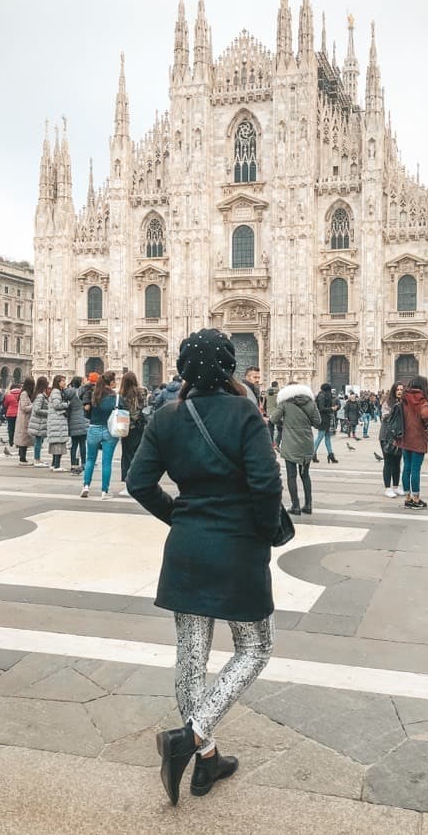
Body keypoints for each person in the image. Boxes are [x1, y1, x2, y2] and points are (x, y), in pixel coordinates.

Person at [126, 328, 282, 806]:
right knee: (255, 647)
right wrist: (263, 530)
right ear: (229, 366)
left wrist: (180, 516)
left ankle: (207, 758)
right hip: (236, 546)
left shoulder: (166, 416)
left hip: (187, 547)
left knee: (191, 658)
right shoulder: (244, 411)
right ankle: (191, 737)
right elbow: (265, 482)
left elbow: (138, 482)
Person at [270, 382, 321, 515]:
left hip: (290, 443)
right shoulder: (310, 402)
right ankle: (308, 505)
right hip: (306, 442)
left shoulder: (285, 403)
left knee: (291, 476)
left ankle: (296, 506)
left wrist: (285, 422)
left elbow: (273, 419)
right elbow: (318, 422)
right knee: (305, 475)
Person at [80, 371, 126, 499]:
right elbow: (124, 411)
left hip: (93, 428)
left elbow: (87, 413)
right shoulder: (116, 397)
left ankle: (86, 486)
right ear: (111, 383)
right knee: (107, 462)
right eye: (115, 381)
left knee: (90, 459)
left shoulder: (94, 395)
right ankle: (104, 491)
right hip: (109, 431)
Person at [399, 376, 428, 509]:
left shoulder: (404, 399)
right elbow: (426, 415)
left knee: (407, 468)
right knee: (415, 469)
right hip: (418, 438)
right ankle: (416, 499)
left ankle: (407, 498)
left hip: (405, 437)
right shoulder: (423, 400)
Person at [118, 371, 147, 496]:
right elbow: (145, 408)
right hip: (140, 428)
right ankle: (139, 483)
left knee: (127, 457)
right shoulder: (142, 392)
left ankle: (127, 485)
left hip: (127, 428)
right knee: (138, 456)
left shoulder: (122, 394)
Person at [380, 382, 405, 498]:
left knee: (397, 462)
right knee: (388, 461)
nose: (399, 391)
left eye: (401, 389)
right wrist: (395, 409)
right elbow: (385, 418)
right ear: (393, 391)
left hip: (399, 436)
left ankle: (396, 486)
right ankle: (387, 487)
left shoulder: (404, 403)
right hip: (387, 436)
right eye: (397, 389)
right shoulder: (388, 403)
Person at [65, 376, 88, 473]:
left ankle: (73, 464)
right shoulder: (82, 392)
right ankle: (83, 463)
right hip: (82, 418)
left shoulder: (68, 392)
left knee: (74, 444)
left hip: (72, 420)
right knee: (82, 444)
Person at [47, 375, 70, 471]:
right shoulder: (56, 392)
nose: (64, 383)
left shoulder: (55, 391)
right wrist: (67, 404)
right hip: (58, 420)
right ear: (58, 382)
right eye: (63, 381)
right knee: (59, 443)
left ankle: (54, 464)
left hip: (56, 420)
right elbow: (56, 405)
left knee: (56, 443)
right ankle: (57, 465)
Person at [313, 383, 339, 463]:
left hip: (327, 419)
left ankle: (330, 454)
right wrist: (331, 408)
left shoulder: (324, 395)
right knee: (320, 437)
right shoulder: (322, 396)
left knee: (328, 437)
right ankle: (312, 453)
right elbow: (321, 408)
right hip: (323, 419)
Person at [28, 376, 49, 466]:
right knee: (38, 442)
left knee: (39, 441)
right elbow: (36, 409)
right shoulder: (40, 396)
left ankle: (38, 459)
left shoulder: (40, 395)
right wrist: (49, 412)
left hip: (39, 422)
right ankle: (37, 459)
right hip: (38, 422)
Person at [15, 377, 35, 466]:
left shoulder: (26, 393)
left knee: (24, 440)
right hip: (24, 419)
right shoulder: (24, 394)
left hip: (26, 419)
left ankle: (23, 458)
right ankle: (22, 459)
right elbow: (24, 407)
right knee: (23, 440)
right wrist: (33, 406)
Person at [263, 381, 281, 448]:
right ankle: (277, 443)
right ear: (277, 385)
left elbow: (264, 402)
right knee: (280, 429)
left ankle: (270, 443)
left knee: (271, 428)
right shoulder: (279, 392)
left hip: (269, 412)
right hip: (277, 412)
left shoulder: (267, 393)